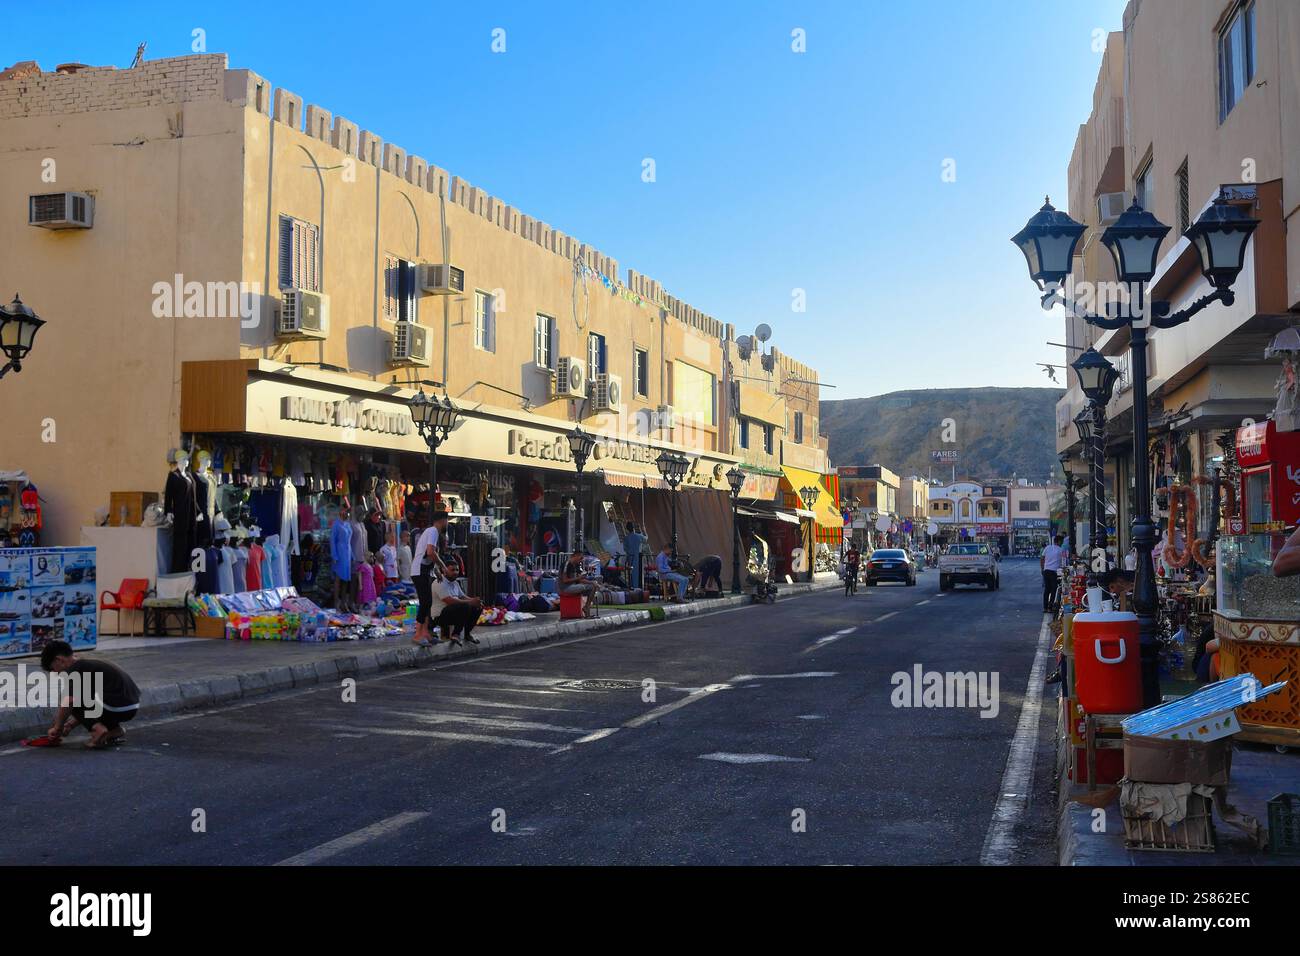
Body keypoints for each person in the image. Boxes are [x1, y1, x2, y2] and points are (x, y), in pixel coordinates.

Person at [40, 640, 140, 749]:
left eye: (54, 670)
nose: (57, 674)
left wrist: (57, 728)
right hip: (130, 707)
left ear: (59, 660)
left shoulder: (74, 670)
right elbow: (89, 702)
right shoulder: (89, 664)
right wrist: (71, 724)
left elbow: (70, 701)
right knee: (78, 696)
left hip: (115, 706)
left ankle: (98, 730)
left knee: (66, 698)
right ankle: (114, 730)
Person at [411, 512, 450, 646]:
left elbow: (428, 555)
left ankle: (426, 633)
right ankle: (418, 634)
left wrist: (436, 570)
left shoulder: (433, 532)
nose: (448, 524)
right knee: (425, 602)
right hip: (419, 570)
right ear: (442, 521)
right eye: (447, 520)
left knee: (428, 603)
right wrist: (443, 566)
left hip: (425, 570)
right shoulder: (433, 530)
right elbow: (430, 552)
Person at [431, 562, 481, 645]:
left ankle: (467, 634)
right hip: (440, 616)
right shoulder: (439, 582)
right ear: (444, 570)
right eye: (452, 570)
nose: (455, 572)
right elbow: (449, 601)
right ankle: (456, 634)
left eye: (457, 570)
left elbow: (463, 597)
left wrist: (476, 601)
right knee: (465, 606)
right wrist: (470, 602)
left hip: (454, 612)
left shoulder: (455, 583)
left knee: (477, 607)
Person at [329, 502, 354, 612]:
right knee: (338, 579)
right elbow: (332, 541)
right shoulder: (336, 524)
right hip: (339, 553)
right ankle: (336, 603)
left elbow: (350, 541)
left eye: (348, 511)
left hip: (347, 553)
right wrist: (334, 555)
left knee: (346, 580)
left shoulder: (348, 524)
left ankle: (344, 602)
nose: (347, 513)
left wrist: (352, 555)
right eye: (345, 511)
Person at [560, 549, 598, 617]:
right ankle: (587, 608)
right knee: (591, 587)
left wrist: (592, 582)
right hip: (565, 587)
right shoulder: (567, 564)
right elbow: (564, 580)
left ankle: (586, 607)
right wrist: (578, 578)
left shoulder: (577, 565)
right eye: (580, 558)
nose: (581, 560)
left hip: (574, 586)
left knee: (593, 586)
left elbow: (580, 580)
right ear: (576, 556)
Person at [1040, 534, 1066, 613]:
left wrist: (1042, 568)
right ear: (1059, 541)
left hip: (1046, 571)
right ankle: (1050, 607)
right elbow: (1064, 562)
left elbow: (1042, 558)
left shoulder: (1047, 548)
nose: (1062, 543)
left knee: (1047, 589)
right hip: (1054, 572)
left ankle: (1045, 607)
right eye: (1062, 541)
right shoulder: (1061, 550)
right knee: (1053, 589)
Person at [623, 522, 647, 588]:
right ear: (634, 528)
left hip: (630, 558)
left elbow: (625, 549)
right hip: (639, 558)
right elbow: (646, 539)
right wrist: (644, 531)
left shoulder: (626, 538)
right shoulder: (639, 536)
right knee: (638, 574)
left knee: (631, 574)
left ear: (627, 529)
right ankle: (638, 588)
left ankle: (632, 588)